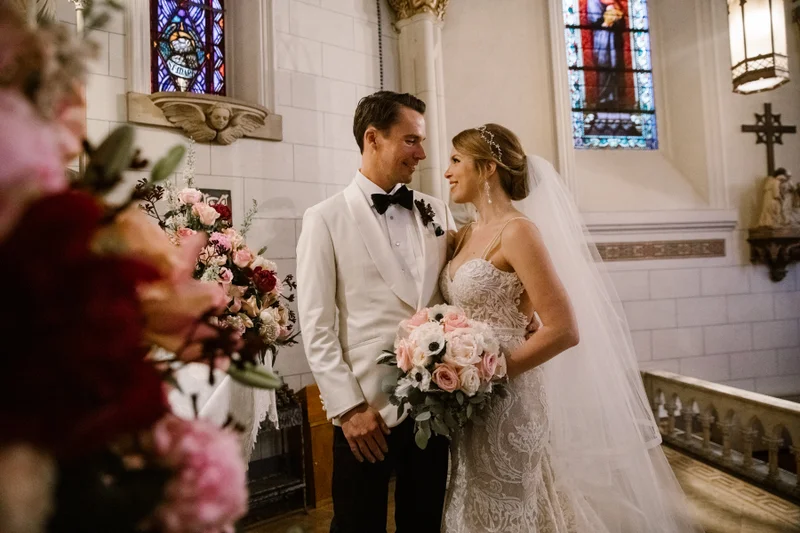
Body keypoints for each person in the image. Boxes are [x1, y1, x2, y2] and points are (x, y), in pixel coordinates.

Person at [440, 123, 703, 533]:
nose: (447, 171)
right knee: (470, 502)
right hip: (467, 399)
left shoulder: (519, 232)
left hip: (508, 396)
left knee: (514, 507)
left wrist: (489, 372)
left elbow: (564, 328)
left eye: (456, 160)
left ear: (487, 167)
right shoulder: (466, 234)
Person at [296, 91, 456, 533]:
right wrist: (348, 409)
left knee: (424, 523)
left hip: (436, 405)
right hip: (367, 414)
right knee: (356, 525)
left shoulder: (435, 210)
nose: (422, 153)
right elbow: (315, 324)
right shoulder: (324, 218)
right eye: (411, 140)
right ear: (373, 138)